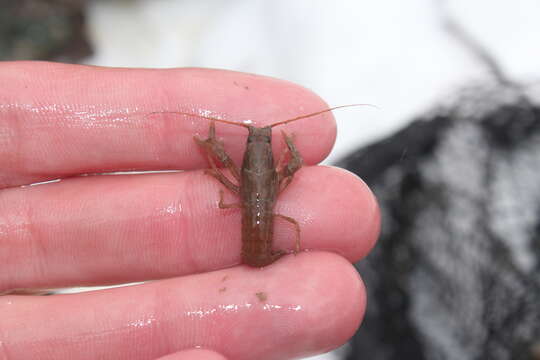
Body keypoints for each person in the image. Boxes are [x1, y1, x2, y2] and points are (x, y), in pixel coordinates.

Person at [0, 62, 380, 360]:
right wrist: (292, 148)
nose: (259, 139)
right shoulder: (279, 175)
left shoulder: (241, 171)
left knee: (223, 177)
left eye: (260, 139)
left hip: (252, 223)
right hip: (260, 227)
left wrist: (214, 147)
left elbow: (222, 177)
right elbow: (291, 167)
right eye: (258, 139)